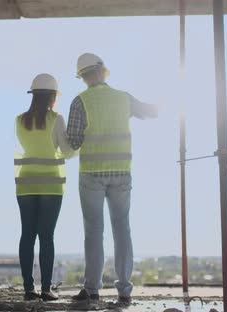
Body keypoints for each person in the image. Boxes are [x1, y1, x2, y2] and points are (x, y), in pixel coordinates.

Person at [67, 53, 158, 304]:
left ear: (83, 77)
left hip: (91, 175)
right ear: (103, 71)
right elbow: (151, 113)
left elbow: (73, 142)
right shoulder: (123, 98)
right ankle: (124, 291)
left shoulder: (80, 101)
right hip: (121, 173)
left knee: (94, 232)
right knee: (122, 229)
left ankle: (92, 289)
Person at [14, 73, 75, 301]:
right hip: (51, 185)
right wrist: (77, 146)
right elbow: (67, 151)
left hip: (26, 183)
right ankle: (46, 289)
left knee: (27, 235)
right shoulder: (56, 119)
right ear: (52, 96)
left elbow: (27, 145)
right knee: (46, 237)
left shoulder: (19, 120)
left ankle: (28, 289)